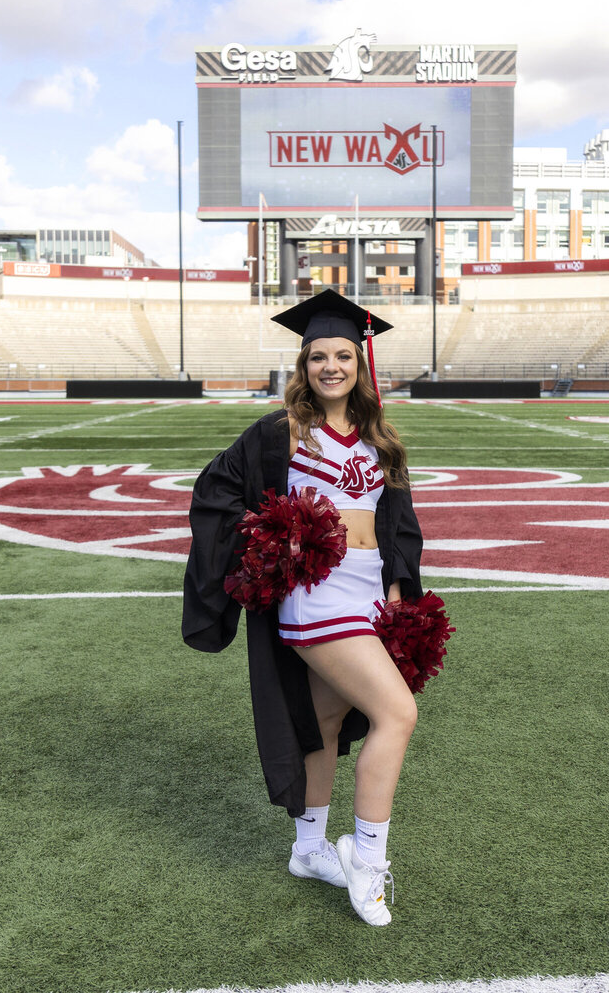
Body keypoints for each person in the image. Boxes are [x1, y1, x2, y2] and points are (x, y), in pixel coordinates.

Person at [182, 289, 424, 927]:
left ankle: (309, 850)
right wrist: (274, 540)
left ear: (359, 364)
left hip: (369, 592)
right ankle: (367, 862)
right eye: (318, 357)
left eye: (343, 355)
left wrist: (399, 591)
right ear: (304, 366)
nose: (331, 367)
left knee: (323, 722)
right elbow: (216, 492)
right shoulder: (282, 432)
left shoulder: (380, 438)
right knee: (397, 713)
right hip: (315, 594)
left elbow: (396, 523)